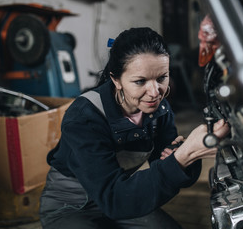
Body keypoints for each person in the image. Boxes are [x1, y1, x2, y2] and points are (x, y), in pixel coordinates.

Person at [39, 27, 229, 229]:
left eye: (162, 78)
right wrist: (183, 157)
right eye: (140, 81)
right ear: (116, 80)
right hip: (72, 206)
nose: (155, 92)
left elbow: (166, 168)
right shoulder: (84, 117)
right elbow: (113, 199)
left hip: (121, 196)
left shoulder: (160, 110)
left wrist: (182, 156)